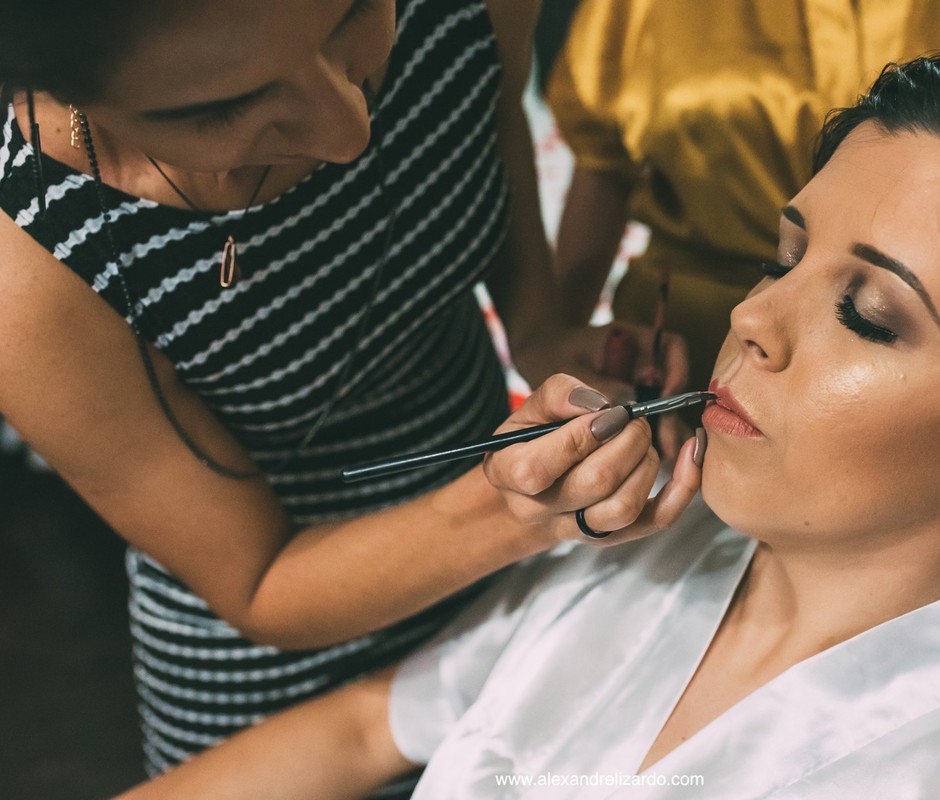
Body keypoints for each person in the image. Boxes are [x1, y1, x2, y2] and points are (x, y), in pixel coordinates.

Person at [117, 54, 940, 798]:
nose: (752, 317)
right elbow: (360, 727)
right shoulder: (637, 550)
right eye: (784, 258)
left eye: (867, 316)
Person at [0, 0, 690, 787]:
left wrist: (540, 334)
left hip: (510, 590)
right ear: (62, 88)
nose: (349, 130)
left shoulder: (466, 12)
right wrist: (508, 511)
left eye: (356, 16)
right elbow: (262, 585)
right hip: (287, 690)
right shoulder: (34, 271)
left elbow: (484, 129)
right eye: (223, 109)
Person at [548, 0, 940, 390]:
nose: (749, 317)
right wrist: (550, 345)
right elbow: (599, 165)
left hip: (889, 375)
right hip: (669, 358)